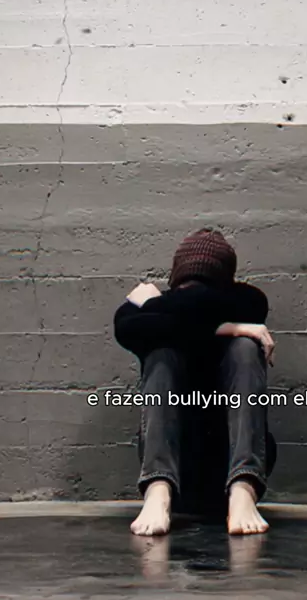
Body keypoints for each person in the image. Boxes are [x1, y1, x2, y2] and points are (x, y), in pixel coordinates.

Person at [113, 228, 277, 537]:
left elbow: (205, 303)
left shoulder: (245, 300)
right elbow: (126, 328)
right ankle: (157, 490)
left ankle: (244, 489)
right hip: (176, 473)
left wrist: (155, 303)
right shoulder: (227, 311)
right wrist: (229, 327)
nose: (193, 291)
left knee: (245, 348)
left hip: (228, 468)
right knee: (161, 352)